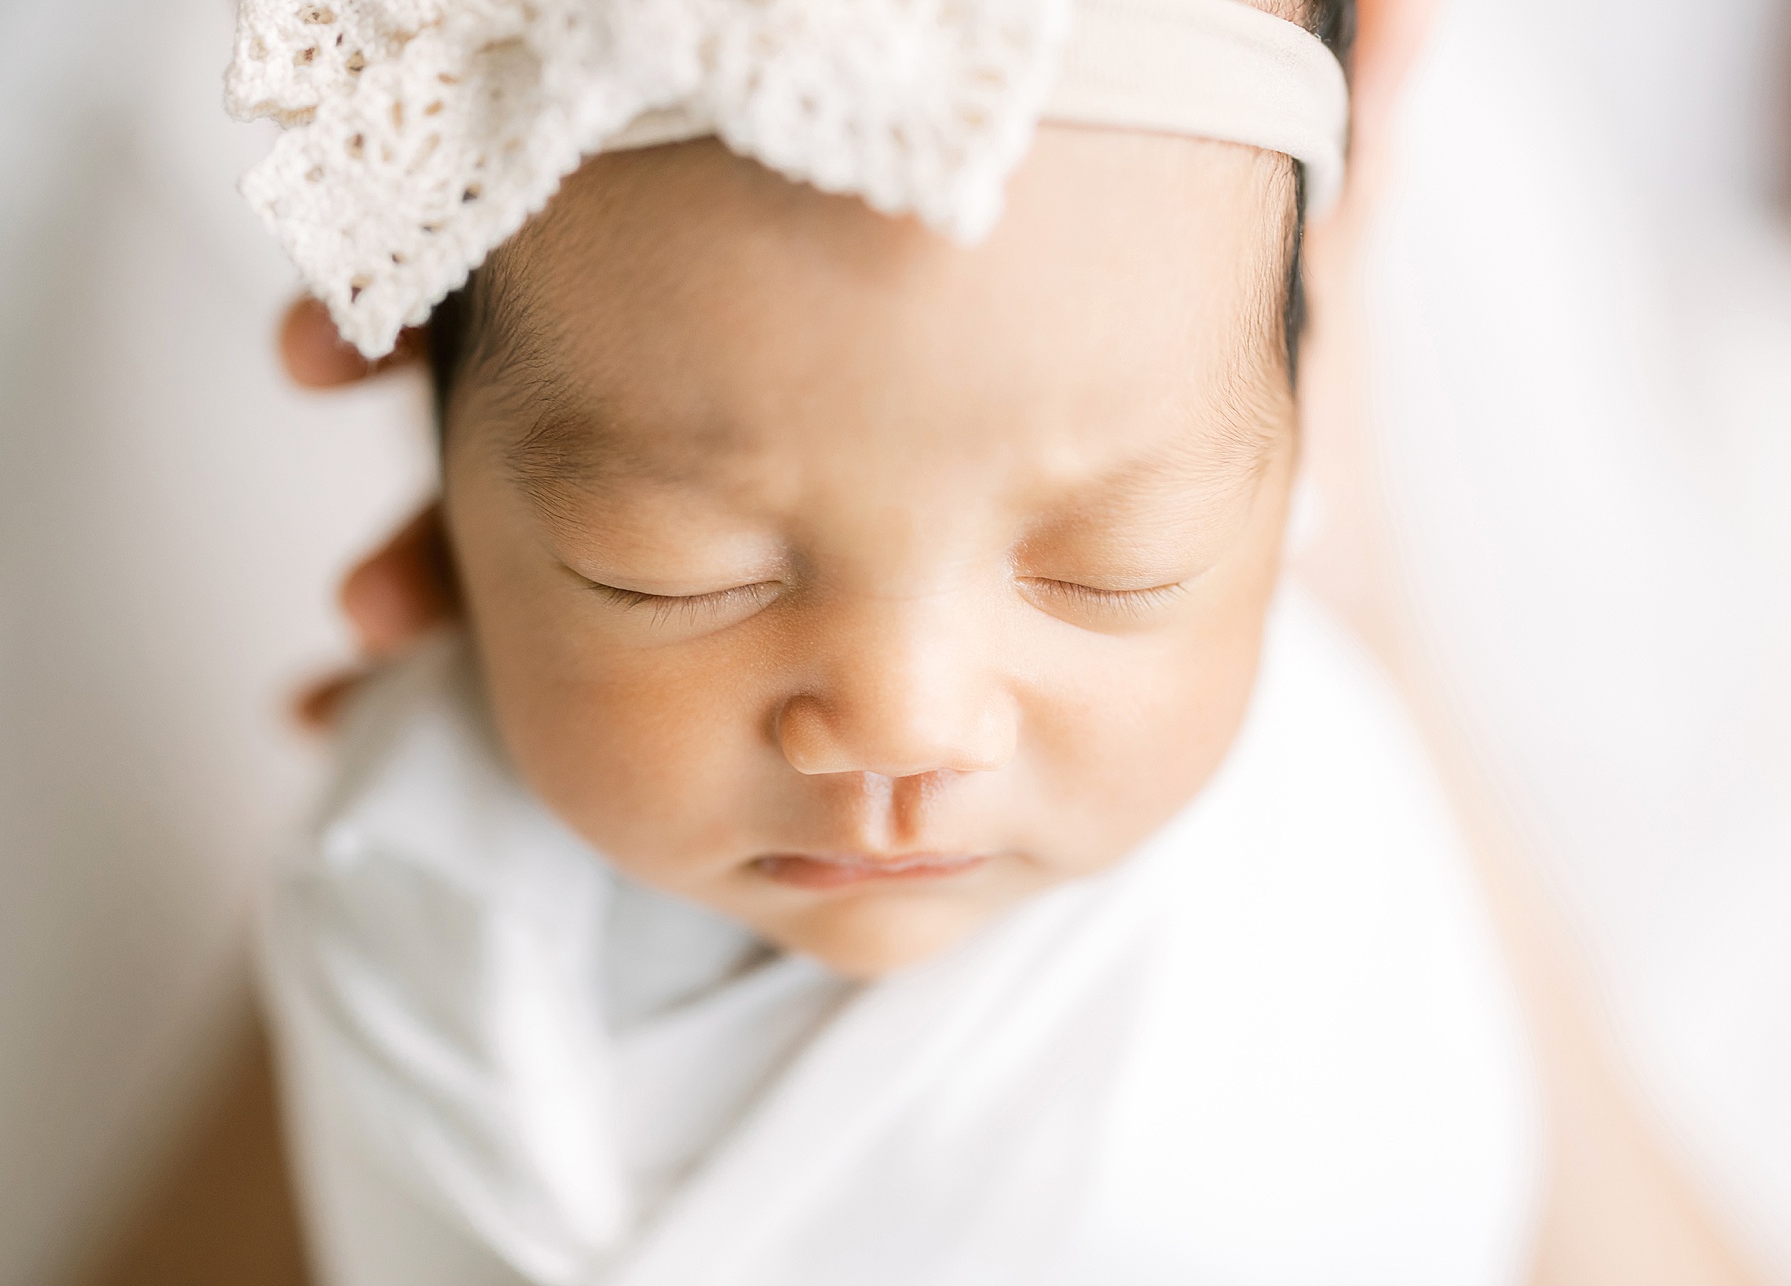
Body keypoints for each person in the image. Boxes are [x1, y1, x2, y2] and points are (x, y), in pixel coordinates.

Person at [86, 0, 1773, 1282]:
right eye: (667, 571)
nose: (904, 721)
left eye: (1116, 564)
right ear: (451, 492)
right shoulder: (405, 874)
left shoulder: (1340, 878)